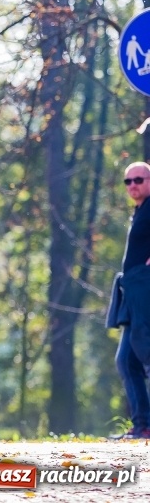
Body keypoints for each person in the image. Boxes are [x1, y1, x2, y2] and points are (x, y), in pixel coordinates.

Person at [107, 161, 150, 439]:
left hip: (146, 291)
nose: (133, 185)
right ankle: (142, 425)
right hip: (132, 291)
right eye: (128, 181)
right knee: (126, 359)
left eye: (139, 180)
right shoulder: (140, 211)